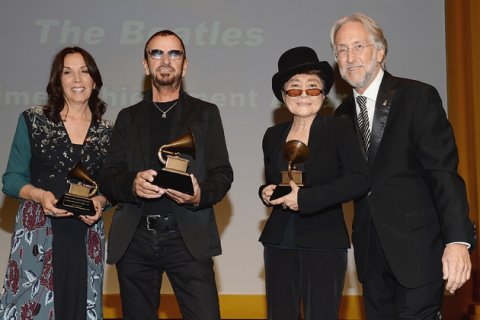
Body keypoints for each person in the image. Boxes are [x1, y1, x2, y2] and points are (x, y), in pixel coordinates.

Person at [332, 13, 476, 319]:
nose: (350, 57)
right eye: (341, 50)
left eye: (358, 46)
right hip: (371, 257)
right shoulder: (340, 116)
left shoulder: (417, 97)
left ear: (380, 51)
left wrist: (457, 240)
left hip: (419, 252)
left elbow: (443, 173)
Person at [100, 30, 233, 320]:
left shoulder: (206, 114)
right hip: (135, 239)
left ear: (185, 65)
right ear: (145, 64)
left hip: (188, 238)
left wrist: (199, 194)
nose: (165, 61)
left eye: (175, 53)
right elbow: (110, 176)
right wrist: (132, 185)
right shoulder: (128, 117)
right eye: (156, 53)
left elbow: (223, 174)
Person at [0, 47, 112, 319]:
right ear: (57, 81)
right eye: (68, 72)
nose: (77, 79)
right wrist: (39, 195)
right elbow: (11, 179)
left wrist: (101, 201)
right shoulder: (33, 120)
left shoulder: (109, 132)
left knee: (79, 308)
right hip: (38, 231)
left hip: (85, 236)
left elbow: (112, 187)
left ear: (94, 80)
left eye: (85, 71)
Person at [258, 46, 369, 320]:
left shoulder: (339, 128)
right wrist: (266, 191)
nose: (304, 95)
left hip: (324, 240)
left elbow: (359, 179)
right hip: (278, 240)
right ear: (284, 96)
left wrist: (305, 199)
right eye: (294, 88)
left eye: (312, 87)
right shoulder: (272, 135)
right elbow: (274, 180)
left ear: (324, 95)